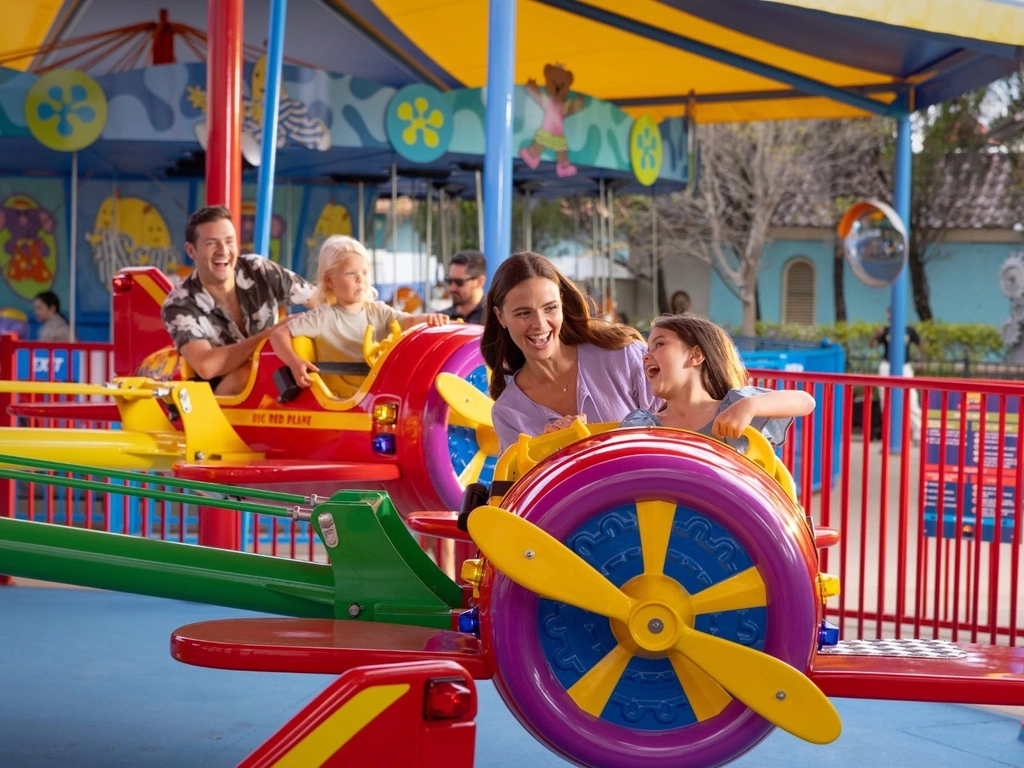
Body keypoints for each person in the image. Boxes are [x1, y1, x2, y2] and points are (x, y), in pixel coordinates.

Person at [482, 251, 658, 454]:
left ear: (562, 304)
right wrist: (548, 455)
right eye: (523, 313)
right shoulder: (508, 413)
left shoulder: (625, 356)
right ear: (500, 316)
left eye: (550, 308)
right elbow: (525, 485)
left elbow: (680, 428)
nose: (540, 324)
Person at [162, 205, 315, 396]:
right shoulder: (180, 304)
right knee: (246, 374)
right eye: (212, 243)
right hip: (220, 402)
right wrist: (269, 335)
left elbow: (320, 300)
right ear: (191, 251)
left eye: (229, 241)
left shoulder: (258, 269)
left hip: (275, 384)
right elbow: (206, 365)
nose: (223, 251)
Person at [271, 235, 449, 397]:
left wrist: (428, 319)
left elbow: (408, 321)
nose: (360, 279)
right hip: (343, 399)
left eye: (364, 272)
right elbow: (278, 334)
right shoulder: (323, 317)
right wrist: (295, 362)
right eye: (351, 273)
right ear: (329, 280)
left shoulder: (378, 311)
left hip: (379, 394)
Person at [621, 314, 815, 450]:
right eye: (647, 350)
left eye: (659, 344)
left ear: (695, 355)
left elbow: (806, 401)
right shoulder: (643, 426)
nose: (646, 357)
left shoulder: (733, 407)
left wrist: (749, 406)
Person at [871, 306, 923, 441]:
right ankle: (889, 434)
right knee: (885, 399)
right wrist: (876, 334)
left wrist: (921, 361)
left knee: (911, 399)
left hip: (904, 366)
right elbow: (872, 344)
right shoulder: (886, 330)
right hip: (887, 365)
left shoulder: (909, 330)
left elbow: (920, 344)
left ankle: (918, 434)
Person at [442, 249, 487, 324]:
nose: (452, 288)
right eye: (449, 281)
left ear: (480, 282)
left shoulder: (494, 319)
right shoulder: (442, 319)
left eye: (459, 282)